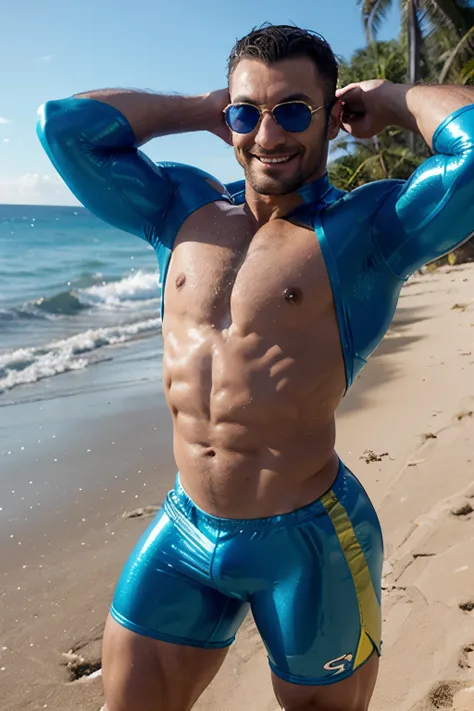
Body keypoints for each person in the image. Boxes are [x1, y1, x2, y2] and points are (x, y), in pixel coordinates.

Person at [37, 23, 474, 711]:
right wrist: (196, 108)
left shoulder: (367, 231)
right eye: (248, 113)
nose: (267, 136)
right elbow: (63, 128)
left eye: (293, 112)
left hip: (308, 542)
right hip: (185, 528)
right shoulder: (179, 208)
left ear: (333, 120)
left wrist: (390, 97)